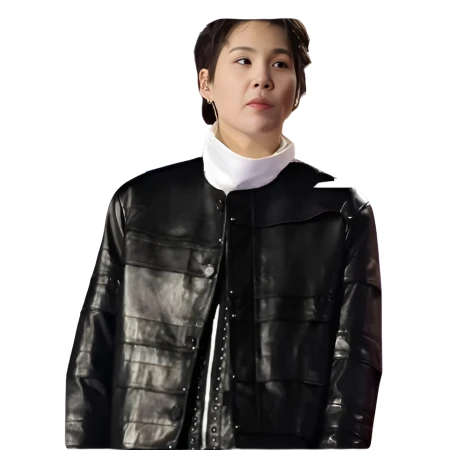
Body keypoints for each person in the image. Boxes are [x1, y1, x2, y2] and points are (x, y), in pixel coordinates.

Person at [65, 18, 382, 450]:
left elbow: (354, 372)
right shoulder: (139, 203)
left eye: (280, 64)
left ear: (297, 91)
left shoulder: (339, 212)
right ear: (206, 83)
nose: (262, 78)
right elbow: (91, 361)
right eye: (243, 61)